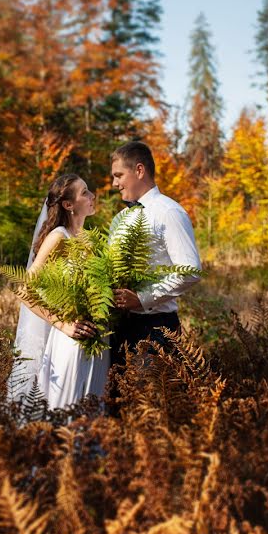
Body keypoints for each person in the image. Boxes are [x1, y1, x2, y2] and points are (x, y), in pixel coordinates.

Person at [108, 141, 202, 397]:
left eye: (119, 175)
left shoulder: (169, 212)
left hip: (155, 328)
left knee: (150, 404)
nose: (114, 184)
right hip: (118, 328)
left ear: (139, 170)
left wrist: (141, 299)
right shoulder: (120, 219)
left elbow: (190, 270)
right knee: (117, 403)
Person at [9, 173, 109, 410]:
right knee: (67, 410)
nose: (92, 195)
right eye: (85, 192)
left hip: (99, 339)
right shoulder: (58, 237)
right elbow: (24, 289)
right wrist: (62, 324)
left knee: (93, 413)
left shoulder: (89, 240)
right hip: (70, 338)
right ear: (68, 204)